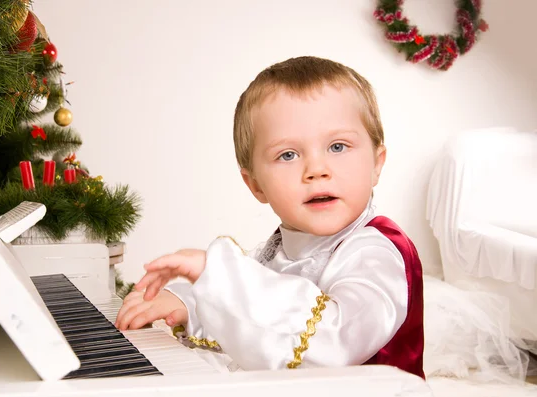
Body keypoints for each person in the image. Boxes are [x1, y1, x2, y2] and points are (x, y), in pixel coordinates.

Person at [115, 56, 426, 378]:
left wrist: (217, 273)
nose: (317, 170)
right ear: (255, 185)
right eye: (287, 154)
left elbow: (333, 341)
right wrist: (188, 304)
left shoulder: (377, 251)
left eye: (337, 146)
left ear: (377, 164)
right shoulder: (276, 250)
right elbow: (256, 323)